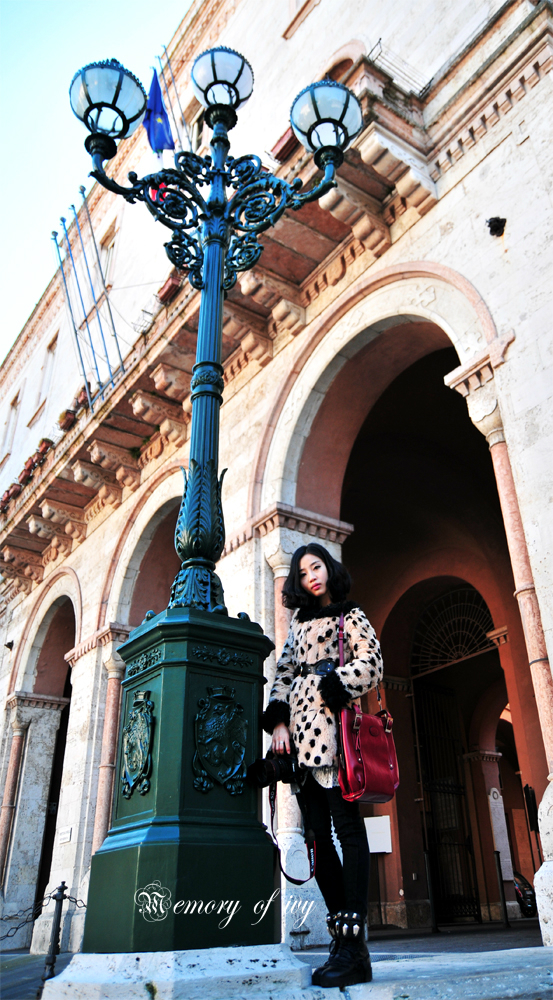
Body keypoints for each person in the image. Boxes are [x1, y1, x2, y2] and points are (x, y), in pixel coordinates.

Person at [262, 542, 383, 989]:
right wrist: (278, 721)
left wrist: (336, 684)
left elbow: (373, 662)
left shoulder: (350, 615)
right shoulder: (297, 624)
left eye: (317, 567)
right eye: (303, 572)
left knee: (348, 829)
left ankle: (355, 945)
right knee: (317, 837)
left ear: (329, 569)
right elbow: (283, 673)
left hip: (335, 740)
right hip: (299, 745)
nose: (311, 575)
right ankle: (341, 938)